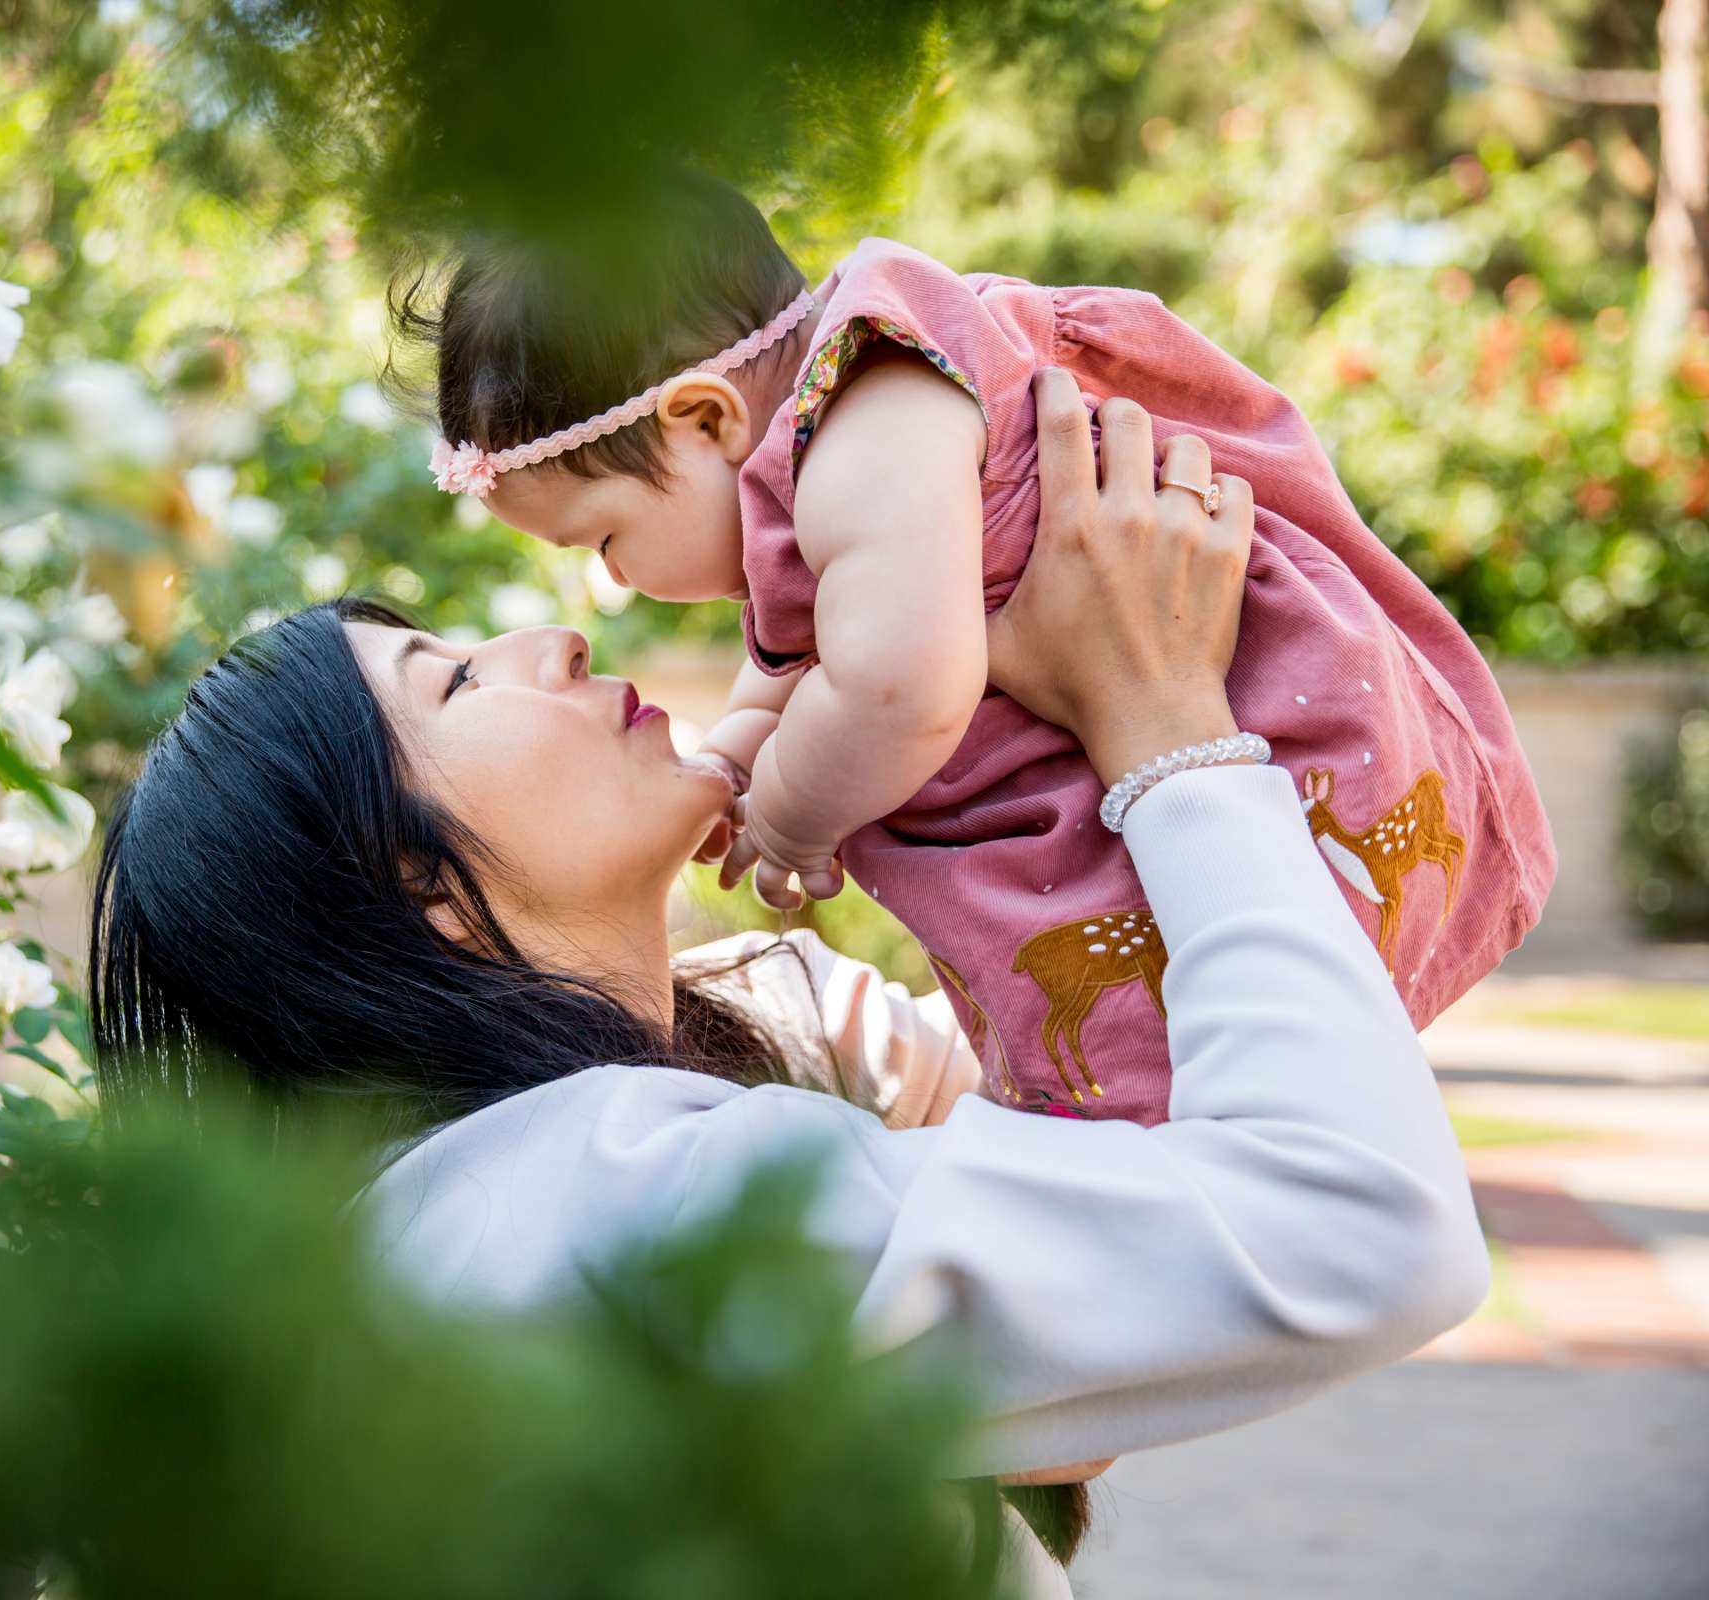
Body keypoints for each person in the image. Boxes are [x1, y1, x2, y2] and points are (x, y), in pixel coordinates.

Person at [90, 374, 1490, 1591]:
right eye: (453, 684)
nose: (553, 640)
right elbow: (1358, 1229)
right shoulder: (609, 1203)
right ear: (427, 897)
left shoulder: (516, 1191)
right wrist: (1165, 728)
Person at [402, 174, 1554, 1122]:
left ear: (705, 417)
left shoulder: (868, 409)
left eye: (606, 535)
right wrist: (743, 754)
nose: (611, 579)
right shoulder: (815, 461)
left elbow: (901, 686)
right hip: (1119, 686)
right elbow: (792, 665)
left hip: (1225, 694)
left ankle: (1191, 1127)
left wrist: (796, 813)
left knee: (1188, 1084)